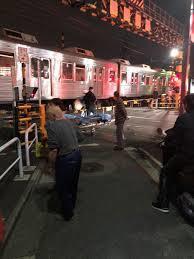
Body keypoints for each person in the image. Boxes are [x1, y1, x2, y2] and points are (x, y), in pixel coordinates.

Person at [152, 94, 194, 213]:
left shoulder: (184, 118)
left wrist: (166, 141)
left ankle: (163, 202)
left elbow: (174, 136)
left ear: (187, 105)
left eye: (184, 104)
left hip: (187, 155)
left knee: (165, 171)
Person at [46, 106, 82, 221]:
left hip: (65, 159)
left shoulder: (52, 126)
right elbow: (81, 137)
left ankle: (67, 213)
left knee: (63, 187)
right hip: (77, 155)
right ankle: (71, 206)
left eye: (49, 117)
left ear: (53, 116)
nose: (48, 120)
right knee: (73, 184)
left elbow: (54, 149)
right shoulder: (70, 122)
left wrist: (50, 166)